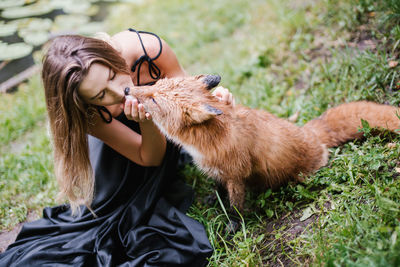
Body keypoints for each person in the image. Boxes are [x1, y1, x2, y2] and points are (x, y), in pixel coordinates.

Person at [0, 29, 234, 266]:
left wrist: (219, 103)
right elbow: (150, 158)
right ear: (87, 102)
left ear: (111, 56)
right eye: (101, 95)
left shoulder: (148, 49)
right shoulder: (88, 112)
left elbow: (190, 98)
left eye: (113, 74)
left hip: (164, 134)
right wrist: (146, 122)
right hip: (124, 154)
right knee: (119, 213)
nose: (119, 93)